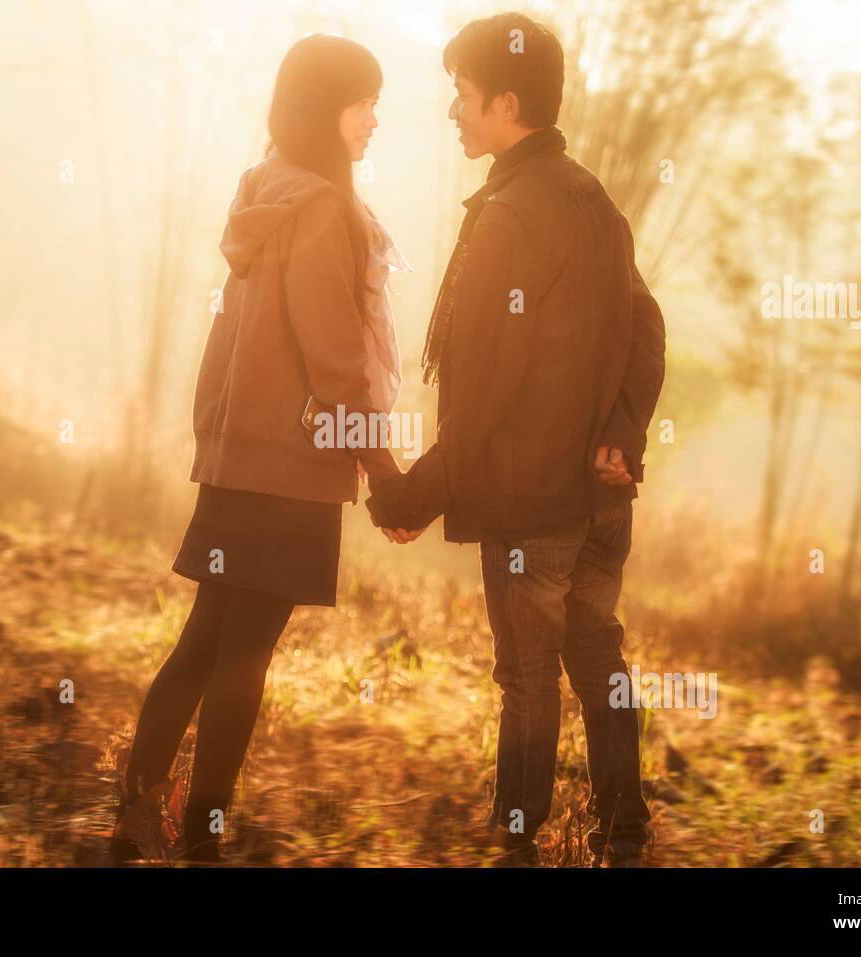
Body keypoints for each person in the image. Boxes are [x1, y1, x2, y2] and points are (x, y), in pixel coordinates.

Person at [366, 12, 667, 868]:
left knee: (529, 676)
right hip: (602, 496)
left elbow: (488, 388)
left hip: (536, 503)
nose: (451, 112)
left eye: (460, 95)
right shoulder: (592, 200)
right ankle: (624, 827)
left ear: (506, 103)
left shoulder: (509, 214)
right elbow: (649, 328)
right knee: (596, 648)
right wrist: (622, 432)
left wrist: (416, 492)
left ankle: (517, 841)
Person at [112, 33, 407, 863]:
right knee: (241, 657)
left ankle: (135, 815)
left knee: (205, 642)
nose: (374, 119)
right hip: (293, 470)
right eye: (361, 102)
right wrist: (383, 472)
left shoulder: (264, 192)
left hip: (241, 459)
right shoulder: (319, 209)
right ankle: (200, 839)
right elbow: (338, 360)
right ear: (324, 109)